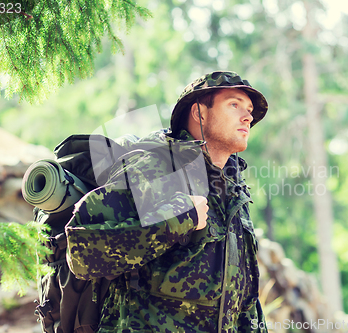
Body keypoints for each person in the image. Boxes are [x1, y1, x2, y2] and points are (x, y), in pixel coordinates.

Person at [65, 71, 269, 332]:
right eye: (234, 104)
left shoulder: (233, 192)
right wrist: (179, 220)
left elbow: (243, 300)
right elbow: (83, 255)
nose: (248, 116)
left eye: (250, 110)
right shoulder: (152, 167)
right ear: (199, 113)